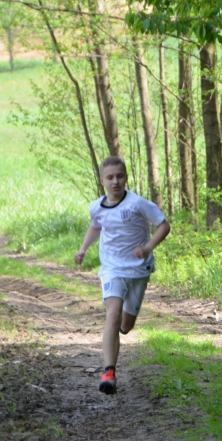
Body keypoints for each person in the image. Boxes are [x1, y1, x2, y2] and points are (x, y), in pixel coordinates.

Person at [75, 156, 171, 395]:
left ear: (126, 178)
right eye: (110, 177)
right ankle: (109, 373)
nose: (115, 181)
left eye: (119, 176)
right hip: (112, 268)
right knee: (113, 314)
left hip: (138, 269)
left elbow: (164, 226)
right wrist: (83, 249)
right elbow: (95, 226)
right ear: (102, 181)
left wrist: (147, 248)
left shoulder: (137, 203)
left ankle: (118, 333)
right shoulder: (96, 207)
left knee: (126, 325)